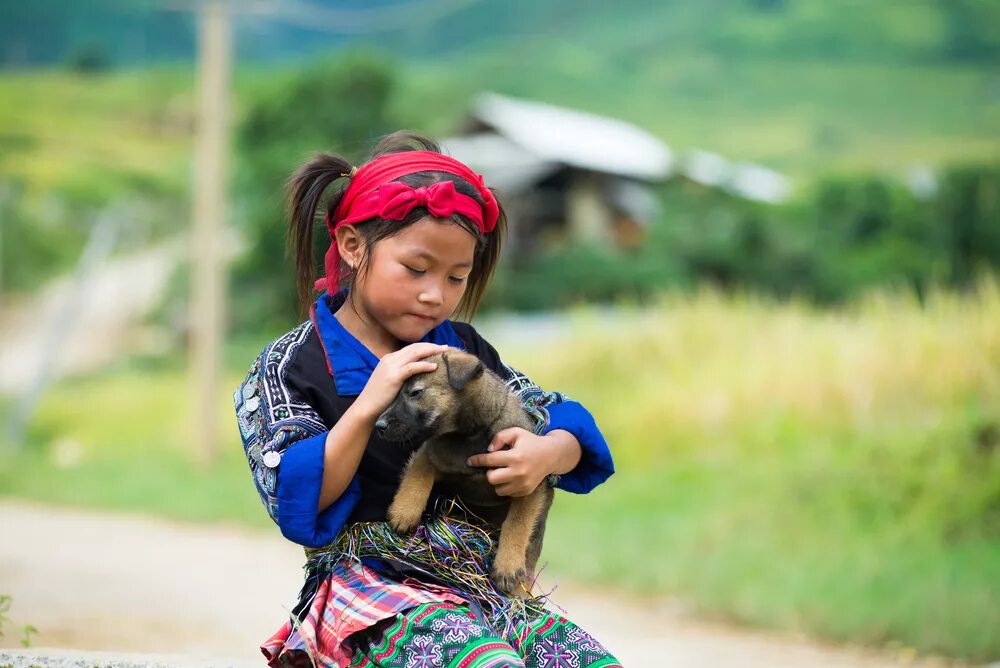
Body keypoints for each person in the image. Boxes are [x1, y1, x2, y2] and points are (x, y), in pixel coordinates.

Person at [234, 131, 620, 668]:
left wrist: (547, 453)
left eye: (456, 277)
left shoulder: (460, 351)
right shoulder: (290, 368)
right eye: (415, 269)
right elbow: (301, 498)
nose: (435, 294)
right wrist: (371, 402)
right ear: (352, 245)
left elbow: (559, 418)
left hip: (483, 589)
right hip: (370, 597)